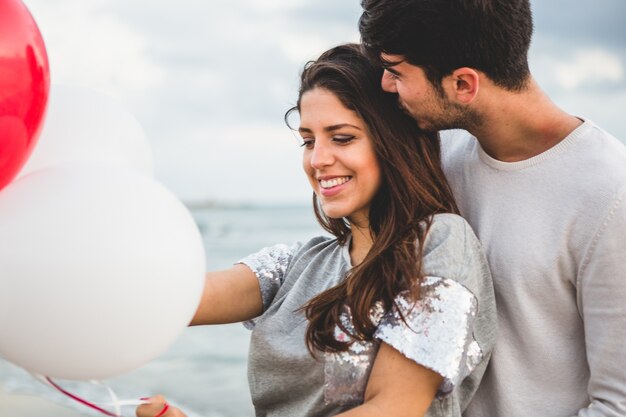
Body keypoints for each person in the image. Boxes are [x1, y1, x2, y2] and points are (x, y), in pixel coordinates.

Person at [136, 44, 495, 417]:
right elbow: (162, 299)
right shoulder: (299, 264)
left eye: (341, 138)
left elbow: (391, 408)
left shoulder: (439, 241)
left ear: (394, 142)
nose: (318, 160)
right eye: (308, 141)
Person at [359, 1, 626, 416]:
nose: (386, 85)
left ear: (464, 84)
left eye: (397, 72)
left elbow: (617, 404)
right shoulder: (437, 157)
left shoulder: (611, 193)